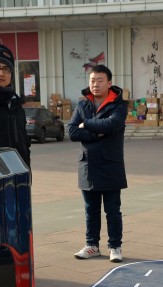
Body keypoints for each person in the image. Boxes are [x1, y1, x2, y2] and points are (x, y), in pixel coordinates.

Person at [68, 65, 128, 263]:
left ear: (109, 83)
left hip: (110, 164)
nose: (95, 84)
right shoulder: (82, 104)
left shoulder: (119, 104)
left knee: (112, 209)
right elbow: (72, 132)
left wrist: (87, 124)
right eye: (92, 80)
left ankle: (115, 246)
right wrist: (98, 132)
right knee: (90, 210)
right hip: (88, 165)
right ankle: (91, 245)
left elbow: (113, 124)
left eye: (99, 80)